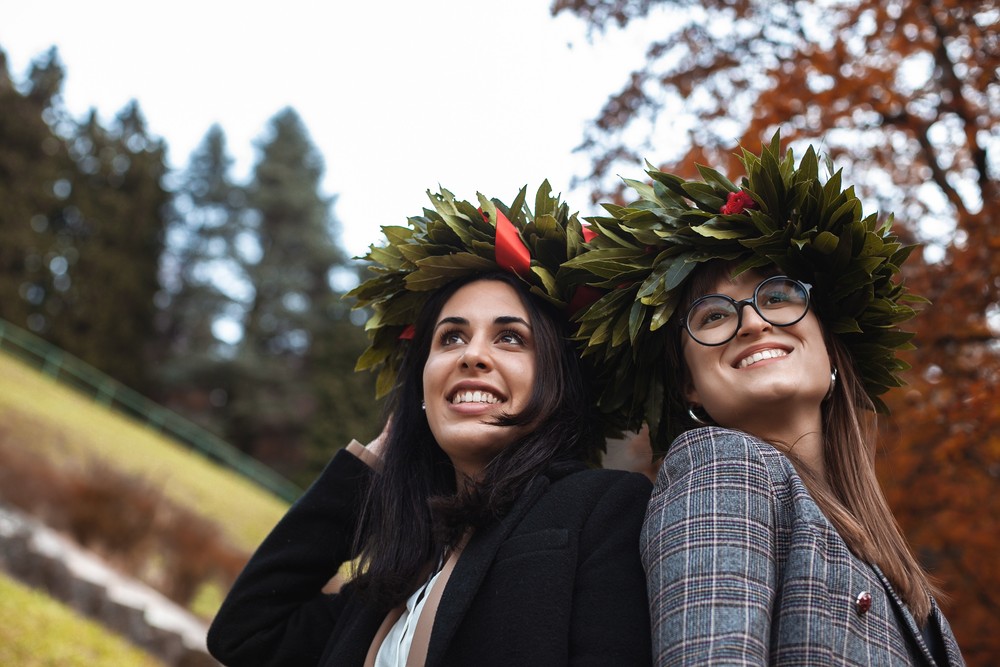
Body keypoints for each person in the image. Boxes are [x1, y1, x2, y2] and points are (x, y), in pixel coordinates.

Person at [206, 183, 653, 666]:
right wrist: (376, 461)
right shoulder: (390, 581)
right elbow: (246, 632)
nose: (472, 355)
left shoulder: (603, 509)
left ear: (559, 380)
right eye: (451, 337)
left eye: (509, 337)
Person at [566, 134, 966, 665]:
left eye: (777, 296)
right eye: (714, 315)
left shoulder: (890, 564)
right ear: (690, 385)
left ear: (830, 347)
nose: (753, 322)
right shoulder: (719, 467)